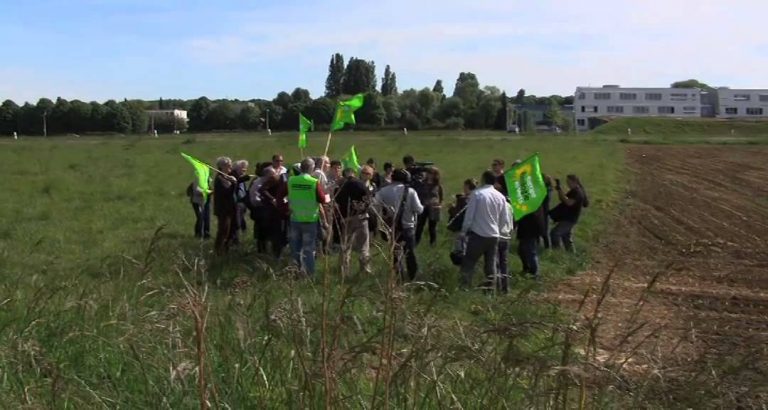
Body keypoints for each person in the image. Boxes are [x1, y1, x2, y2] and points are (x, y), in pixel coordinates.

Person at [460, 171, 513, 291]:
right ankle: (490, 290)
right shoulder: (500, 197)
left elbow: (469, 216)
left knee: (469, 262)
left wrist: (464, 231)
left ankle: (464, 288)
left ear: (483, 179)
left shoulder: (477, 194)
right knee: (491, 265)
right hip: (494, 236)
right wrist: (498, 230)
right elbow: (504, 218)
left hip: (478, 234)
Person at [374, 169, 424, 281]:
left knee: (395, 255)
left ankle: (398, 278)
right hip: (408, 228)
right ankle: (413, 278)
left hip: (391, 228)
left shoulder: (383, 191)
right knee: (410, 254)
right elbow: (419, 209)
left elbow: (374, 205)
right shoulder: (410, 192)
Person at [287, 158, 329, 276]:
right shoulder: (313, 182)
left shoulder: (291, 180)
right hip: (310, 219)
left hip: (295, 218)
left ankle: (295, 270)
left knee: (295, 247)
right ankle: (308, 273)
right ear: (312, 168)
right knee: (308, 248)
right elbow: (322, 199)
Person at [335, 167, 372, 275]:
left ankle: (343, 270)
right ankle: (365, 268)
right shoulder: (361, 184)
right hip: (361, 217)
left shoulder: (341, 186)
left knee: (346, 246)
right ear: (354, 173)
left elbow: (337, 200)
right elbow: (368, 200)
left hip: (347, 218)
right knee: (364, 245)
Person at [549, 174, 589, 252]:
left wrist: (560, 190)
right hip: (569, 218)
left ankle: (556, 252)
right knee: (566, 237)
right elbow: (562, 199)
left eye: (569, 182)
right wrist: (559, 189)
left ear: (574, 181)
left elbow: (569, 202)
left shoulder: (577, 192)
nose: (567, 184)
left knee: (555, 233)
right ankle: (571, 254)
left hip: (569, 219)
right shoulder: (574, 191)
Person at [259, 166, 290, 258]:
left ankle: (280, 253)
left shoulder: (293, 181)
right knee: (277, 232)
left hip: (285, 210)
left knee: (284, 233)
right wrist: (272, 199)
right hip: (274, 211)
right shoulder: (276, 178)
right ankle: (276, 254)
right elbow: (262, 189)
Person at [213, 157, 238, 255]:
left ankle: (224, 249)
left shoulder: (226, 177)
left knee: (227, 230)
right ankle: (218, 250)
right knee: (223, 230)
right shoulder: (220, 179)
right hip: (223, 209)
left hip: (229, 208)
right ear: (222, 166)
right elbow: (226, 192)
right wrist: (234, 183)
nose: (230, 167)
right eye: (228, 165)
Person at [415, 167, 444, 247]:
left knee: (432, 227)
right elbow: (417, 195)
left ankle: (433, 244)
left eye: (432, 173)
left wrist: (440, 205)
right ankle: (416, 242)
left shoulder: (438, 185)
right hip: (423, 207)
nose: (430, 175)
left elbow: (441, 198)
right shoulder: (422, 184)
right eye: (429, 173)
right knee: (420, 226)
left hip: (434, 208)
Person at [516, 204, 546, 281]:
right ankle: (527, 268)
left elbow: (523, 212)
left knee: (530, 251)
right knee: (521, 250)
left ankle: (535, 273)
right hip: (527, 227)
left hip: (530, 228)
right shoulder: (531, 200)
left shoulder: (530, 201)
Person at [249, 165, 273, 253]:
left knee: (266, 231)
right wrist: (265, 202)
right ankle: (261, 250)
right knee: (261, 232)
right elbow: (255, 199)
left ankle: (265, 249)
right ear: (267, 175)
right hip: (259, 210)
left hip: (265, 210)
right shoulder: (258, 183)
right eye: (272, 175)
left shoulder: (266, 182)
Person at [231, 160, 251, 245]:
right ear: (236, 169)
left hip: (242, 202)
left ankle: (239, 238)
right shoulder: (233, 177)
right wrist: (243, 179)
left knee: (241, 221)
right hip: (236, 203)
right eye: (242, 169)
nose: (244, 170)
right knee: (236, 223)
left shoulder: (241, 177)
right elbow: (235, 183)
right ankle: (235, 240)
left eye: (245, 169)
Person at [188, 174, 211, 239]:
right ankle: (198, 233)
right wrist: (207, 192)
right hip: (197, 202)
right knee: (200, 217)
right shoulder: (197, 180)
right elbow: (196, 190)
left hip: (205, 202)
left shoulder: (208, 179)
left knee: (206, 218)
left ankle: (206, 233)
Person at [360, 165, 378, 234]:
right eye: (363, 173)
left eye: (367, 174)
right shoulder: (356, 184)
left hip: (371, 214)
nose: (365, 175)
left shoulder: (373, 186)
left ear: (371, 176)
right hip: (359, 215)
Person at [541, 175, 554, 249]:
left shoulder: (547, 189)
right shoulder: (548, 189)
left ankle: (547, 247)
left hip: (544, 211)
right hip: (543, 211)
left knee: (544, 230)